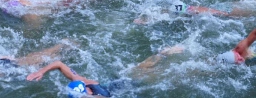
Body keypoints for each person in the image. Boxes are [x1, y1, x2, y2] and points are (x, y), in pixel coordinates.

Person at [26, 46, 183, 97]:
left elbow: (59, 63)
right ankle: (163, 54)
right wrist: (42, 71)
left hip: (124, 85)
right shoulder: (82, 83)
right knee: (140, 69)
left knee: (158, 75)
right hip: (113, 84)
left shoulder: (86, 85)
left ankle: (165, 54)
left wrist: (40, 71)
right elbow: (59, 64)